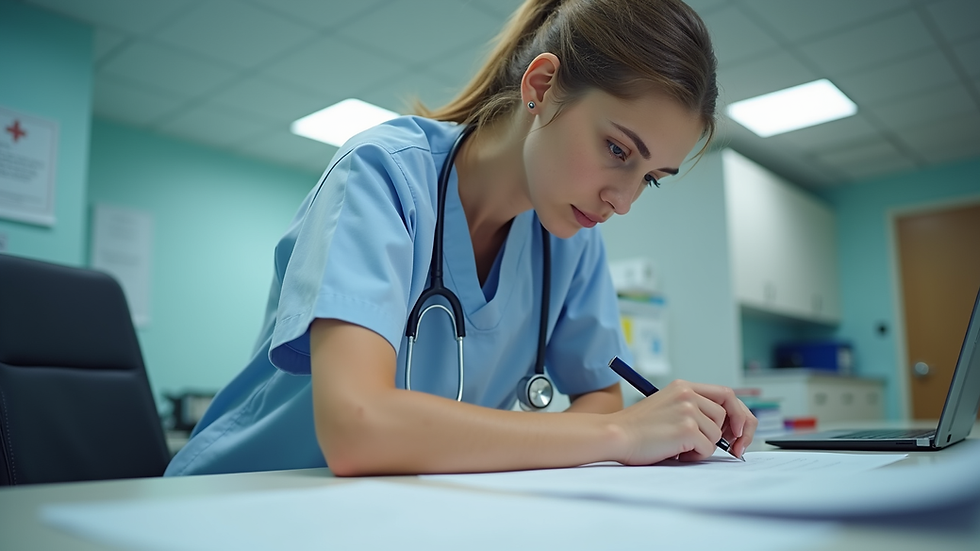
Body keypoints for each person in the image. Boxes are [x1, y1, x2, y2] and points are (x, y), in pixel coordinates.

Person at [165, 0, 757, 478]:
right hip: (237, 503)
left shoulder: (570, 239)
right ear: (543, 86)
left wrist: (627, 422)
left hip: (396, 515)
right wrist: (623, 432)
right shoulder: (384, 173)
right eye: (616, 150)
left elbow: (599, 396)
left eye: (649, 178)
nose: (622, 201)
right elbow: (357, 426)